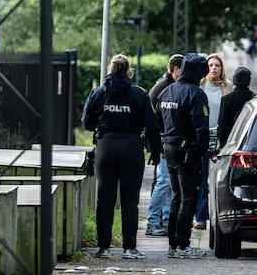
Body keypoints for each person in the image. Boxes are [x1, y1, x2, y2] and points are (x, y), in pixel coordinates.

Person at [81, 54, 161, 259]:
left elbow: (87, 123)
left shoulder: (98, 93)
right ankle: (129, 248)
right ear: (128, 72)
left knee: (104, 199)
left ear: (110, 70)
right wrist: (155, 152)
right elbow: (152, 125)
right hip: (131, 148)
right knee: (129, 200)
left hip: (105, 147)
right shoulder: (139, 95)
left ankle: (104, 248)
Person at [156, 52, 209, 258]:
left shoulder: (167, 91)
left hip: (168, 148)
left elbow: (158, 120)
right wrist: (201, 151)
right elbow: (202, 128)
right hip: (188, 151)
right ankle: (183, 244)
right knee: (189, 198)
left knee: (176, 196)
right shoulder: (195, 93)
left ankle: (172, 243)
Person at [144, 54, 183, 237]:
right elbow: (151, 114)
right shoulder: (163, 87)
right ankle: (152, 222)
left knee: (168, 182)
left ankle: (166, 221)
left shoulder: (166, 85)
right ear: (176, 70)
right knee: (164, 181)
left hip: (163, 139)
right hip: (162, 139)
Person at [195, 53, 231, 230]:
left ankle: (220, 217)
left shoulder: (227, 87)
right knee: (201, 178)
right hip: (202, 137)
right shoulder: (199, 86)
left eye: (217, 65)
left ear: (221, 68)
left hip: (221, 139)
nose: (214, 68)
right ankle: (200, 217)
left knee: (220, 179)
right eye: (211, 65)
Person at [218, 67, 255, 146]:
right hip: (249, 142)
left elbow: (223, 126)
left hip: (230, 142)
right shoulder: (255, 98)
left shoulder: (226, 99)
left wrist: (222, 144)